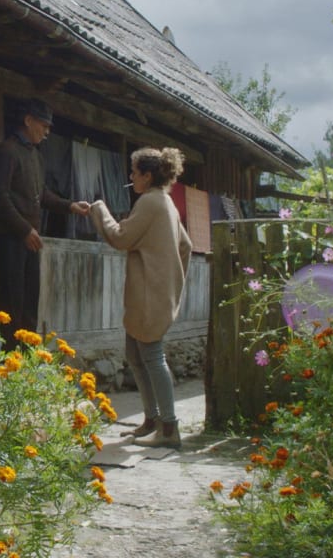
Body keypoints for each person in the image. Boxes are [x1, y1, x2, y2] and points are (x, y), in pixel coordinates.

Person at [87, 146, 192, 449]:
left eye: (134, 172)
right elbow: (186, 246)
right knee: (135, 355)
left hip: (149, 293)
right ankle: (152, 420)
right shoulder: (166, 202)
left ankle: (169, 428)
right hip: (154, 291)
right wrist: (172, 278)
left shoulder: (150, 202)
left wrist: (99, 209)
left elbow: (121, 237)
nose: (131, 177)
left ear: (147, 176)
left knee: (153, 357)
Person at [0, 98, 90, 347]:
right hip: (11, 236)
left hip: (30, 238)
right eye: (44, 126)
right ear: (28, 120)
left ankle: (28, 354)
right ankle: (10, 355)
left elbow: (42, 194)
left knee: (31, 298)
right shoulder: (7, 151)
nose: (47, 132)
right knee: (13, 298)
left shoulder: (36, 156)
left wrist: (70, 206)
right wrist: (24, 230)